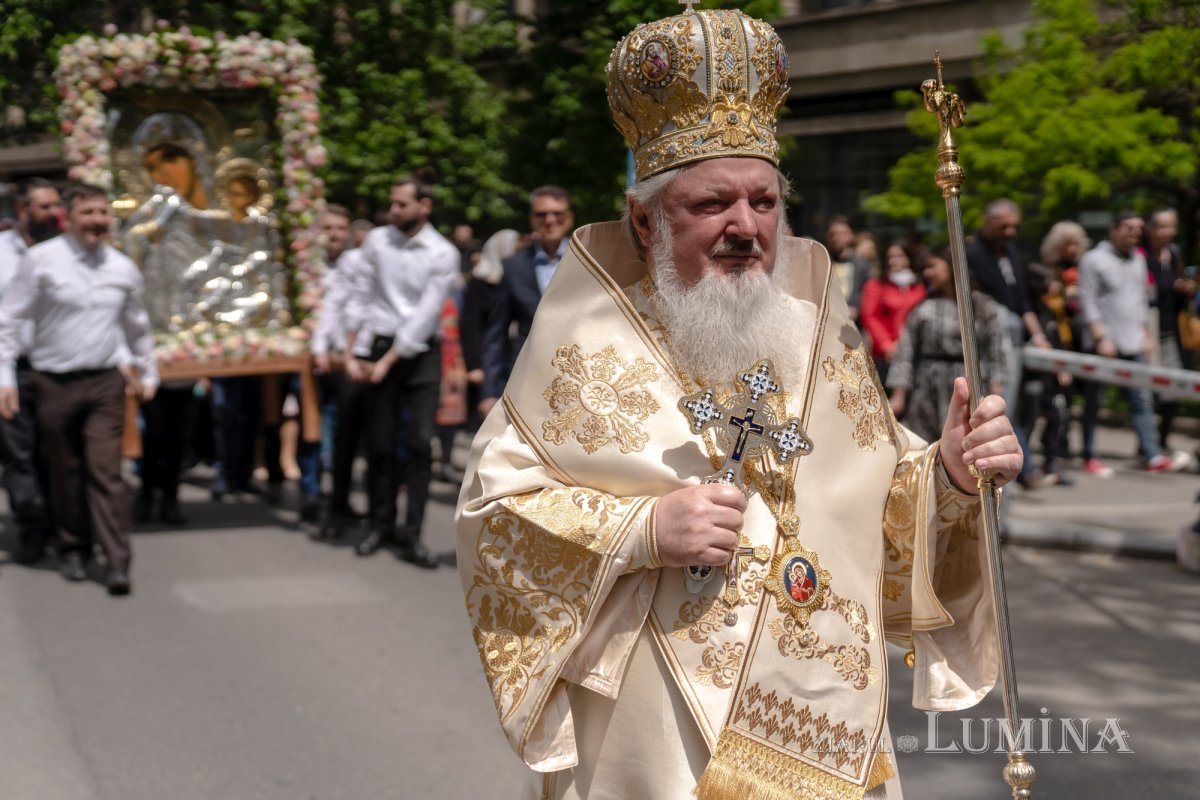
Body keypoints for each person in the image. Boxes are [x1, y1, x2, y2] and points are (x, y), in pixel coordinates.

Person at [456, 9, 1021, 799]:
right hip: (661, 734)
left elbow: (877, 504)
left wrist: (953, 476)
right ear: (646, 218)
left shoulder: (815, 328)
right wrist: (641, 528)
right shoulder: (585, 342)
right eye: (712, 203)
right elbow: (494, 511)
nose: (746, 228)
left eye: (764, 201)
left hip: (826, 714)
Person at [0, 183, 158, 596]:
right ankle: (73, 547)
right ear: (67, 219)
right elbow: (9, 320)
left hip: (105, 382)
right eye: (88, 212)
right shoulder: (41, 262)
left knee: (106, 471)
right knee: (66, 470)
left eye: (103, 212)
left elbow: (137, 327)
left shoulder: (121, 267)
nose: (97, 220)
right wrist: (4, 378)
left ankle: (118, 560)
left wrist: (149, 372)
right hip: (53, 382)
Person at [344, 174, 459, 566]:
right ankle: (380, 525)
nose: (393, 210)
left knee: (418, 444)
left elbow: (427, 314)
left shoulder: (442, 252)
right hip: (379, 344)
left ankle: (412, 534)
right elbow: (362, 295)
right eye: (392, 203)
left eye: (402, 204)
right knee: (379, 444)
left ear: (424, 207)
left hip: (419, 352)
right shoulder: (377, 240)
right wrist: (354, 352)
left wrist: (389, 360)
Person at [1078, 212, 1189, 475]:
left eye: (1139, 229)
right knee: (1095, 400)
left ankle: (1151, 455)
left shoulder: (1138, 258)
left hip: (1134, 340)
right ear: (1114, 229)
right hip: (1104, 343)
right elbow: (1087, 300)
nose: (1135, 233)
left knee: (1142, 399)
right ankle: (1089, 454)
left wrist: (1146, 334)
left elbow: (1141, 297)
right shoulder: (1094, 259)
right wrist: (1100, 336)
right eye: (1129, 228)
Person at [966, 198, 1054, 488]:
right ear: (988, 222)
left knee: (1021, 407)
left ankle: (1024, 468)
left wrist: (1038, 334)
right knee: (997, 408)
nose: (1009, 232)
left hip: (1016, 342)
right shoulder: (972, 253)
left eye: (1014, 227)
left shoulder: (1013, 254)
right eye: (1004, 226)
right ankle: (1023, 470)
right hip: (989, 344)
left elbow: (1022, 302)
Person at [887, 244, 1012, 443]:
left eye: (932, 266)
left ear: (952, 266)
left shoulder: (982, 306)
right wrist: (899, 394)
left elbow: (998, 347)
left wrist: (996, 388)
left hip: (967, 383)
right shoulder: (923, 307)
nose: (927, 272)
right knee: (923, 444)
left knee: (963, 443)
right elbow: (906, 351)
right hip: (926, 385)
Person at [0, 178, 61, 563]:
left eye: (58, 206)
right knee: (19, 455)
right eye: (46, 207)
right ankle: (32, 529)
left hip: (57, 368)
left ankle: (61, 525)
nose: (56, 214)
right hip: (13, 370)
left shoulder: (65, 252)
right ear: (23, 211)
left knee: (55, 453)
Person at [479, 186, 575, 416]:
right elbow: (497, 332)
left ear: (569, 218)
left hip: (576, 375)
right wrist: (489, 392)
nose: (550, 220)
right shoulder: (514, 265)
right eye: (541, 214)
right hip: (526, 376)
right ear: (532, 220)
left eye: (557, 213)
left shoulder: (586, 259)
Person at [310, 205, 370, 539]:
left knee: (367, 441)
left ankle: (370, 512)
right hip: (340, 359)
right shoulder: (348, 264)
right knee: (335, 434)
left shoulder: (370, 262)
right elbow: (336, 305)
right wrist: (322, 346)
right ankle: (330, 504)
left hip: (373, 359)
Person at [1025, 221, 1089, 483]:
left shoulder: (1059, 307)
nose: (1055, 286)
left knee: (1058, 415)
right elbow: (1048, 338)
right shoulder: (1041, 309)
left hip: (1061, 361)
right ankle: (1028, 465)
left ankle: (1051, 461)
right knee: (1034, 416)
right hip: (1045, 367)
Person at [1144, 208, 1195, 456]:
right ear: (1151, 228)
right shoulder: (1140, 255)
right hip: (1147, 327)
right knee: (1146, 388)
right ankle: (1147, 443)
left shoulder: (1173, 254)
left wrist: (1183, 288)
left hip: (1171, 328)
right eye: (1163, 226)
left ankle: (1161, 440)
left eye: (1171, 226)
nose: (1168, 232)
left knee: (1172, 388)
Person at [859, 240, 926, 383]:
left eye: (900, 256)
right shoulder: (876, 284)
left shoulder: (918, 285)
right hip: (887, 353)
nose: (894, 260)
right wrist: (886, 344)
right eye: (890, 257)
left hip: (915, 351)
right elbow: (869, 316)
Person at [824, 215, 870, 320]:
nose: (837, 238)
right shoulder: (823, 261)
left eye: (843, 234)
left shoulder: (861, 264)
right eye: (833, 234)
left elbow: (866, 293)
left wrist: (856, 308)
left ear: (852, 235)